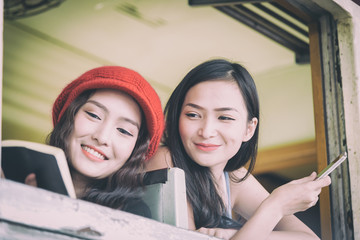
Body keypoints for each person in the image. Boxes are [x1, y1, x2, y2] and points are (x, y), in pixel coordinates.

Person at [146, 59, 331, 239]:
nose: (207, 131)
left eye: (225, 117)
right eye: (193, 115)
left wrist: (236, 234)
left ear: (249, 129)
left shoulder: (232, 177)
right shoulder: (165, 161)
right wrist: (275, 206)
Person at [26, 66, 164, 218]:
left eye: (124, 131)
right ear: (68, 116)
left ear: (137, 150)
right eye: (93, 115)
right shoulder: (19, 175)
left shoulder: (134, 215)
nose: (102, 137)